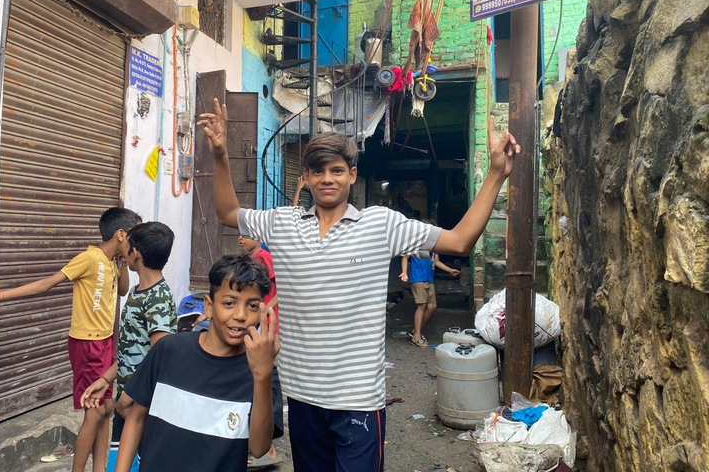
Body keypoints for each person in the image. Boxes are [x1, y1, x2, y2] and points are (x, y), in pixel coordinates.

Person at [199, 98, 519, 471]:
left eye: (336, 170)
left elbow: (460, 240)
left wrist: (497, 174)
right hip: (301, 395)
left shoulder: (380, 224)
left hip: (358, 399)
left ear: (352, 174)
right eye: (317, 172)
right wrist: (221, 154)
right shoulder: (281, 223)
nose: (327, 179)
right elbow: (226, 213)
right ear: (306, 177)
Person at [0, 207, 141, 472]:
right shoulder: (89, 258)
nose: (138, 245)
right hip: (86, 343)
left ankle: (99, 468)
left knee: (106, 408)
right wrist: (0, 296)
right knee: (95, 411)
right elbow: (49, 283)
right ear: (122, 235)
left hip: (105, 342)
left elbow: (123, 289)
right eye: (135, 236)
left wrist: (123, 261)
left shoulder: (114, 262)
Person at [113, 254, 279, 472]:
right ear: (208, 307)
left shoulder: (263, 371)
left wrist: (262, 374)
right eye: (229, 303)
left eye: (253, 306)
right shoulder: (169, 350)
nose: (240, 315)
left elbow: (259, 448)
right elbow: (135, 418)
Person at [80, 221, 177, 472]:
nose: (124, 250)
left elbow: (159, 357)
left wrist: (128, 398)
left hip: (144, 406)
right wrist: (105, 379)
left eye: (128, 247)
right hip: (128, 400)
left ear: (136, 254)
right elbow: (131, 350)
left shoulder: (158, 298)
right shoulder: (136, 292)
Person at [238, 236, 284, 469]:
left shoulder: (264, 258)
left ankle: (268, 448)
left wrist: (265, 311)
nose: (240, 238)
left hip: (262, 320)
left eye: (245, 234)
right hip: (257, 318)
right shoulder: (251, 260)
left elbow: (280, 286)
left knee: (262, 374)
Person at [400, 252, 460, 347]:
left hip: (429, 279)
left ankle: (416, 330)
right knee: (421, 305)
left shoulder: (433, 248)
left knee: (432, 306)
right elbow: (405, 258)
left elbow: (436, 262)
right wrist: (404, 272)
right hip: (418, 278)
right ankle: (416, 336)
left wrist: (450, 270)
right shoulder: (416, 244)